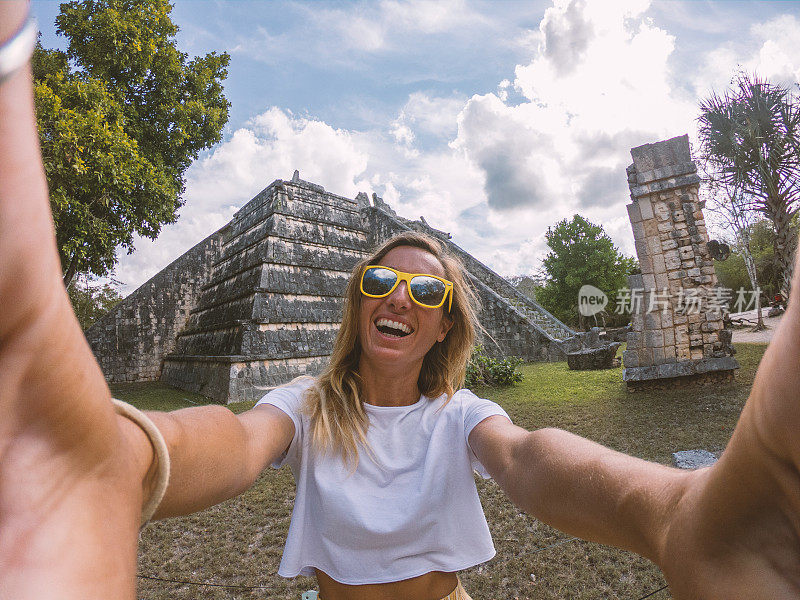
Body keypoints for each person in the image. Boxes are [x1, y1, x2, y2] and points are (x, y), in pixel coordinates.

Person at [2, 2, 800, 598]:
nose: (400, 297)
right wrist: (132, 455)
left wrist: (669, 512)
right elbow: (240, 443)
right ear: (355, 302)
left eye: (427, 289)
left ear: (447, 321)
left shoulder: (458, 419)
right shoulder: (307, 408)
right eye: (379, 282)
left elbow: (528, 458)